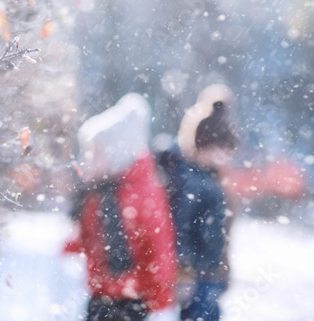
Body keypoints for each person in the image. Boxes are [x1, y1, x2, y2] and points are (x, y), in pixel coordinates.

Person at [63, 93, 179, 321]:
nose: (87, 160)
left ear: (116, 154)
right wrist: (71, 246)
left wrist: (160, 294)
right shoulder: (98, 192)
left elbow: (158, 245)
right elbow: (88, 236)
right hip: (100, 293)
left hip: (132, 298)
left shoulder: (140, 192)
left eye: (95, 153)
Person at [156, 84, 239, 321]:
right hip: (199, 277)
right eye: (220, 149)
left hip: (210, 274)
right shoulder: (194, 181)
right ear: (203, 146)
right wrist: (183, 272)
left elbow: (220, 232)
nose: (224, 156)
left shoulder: (211, 179)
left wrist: (224, 271)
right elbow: (181, 227)